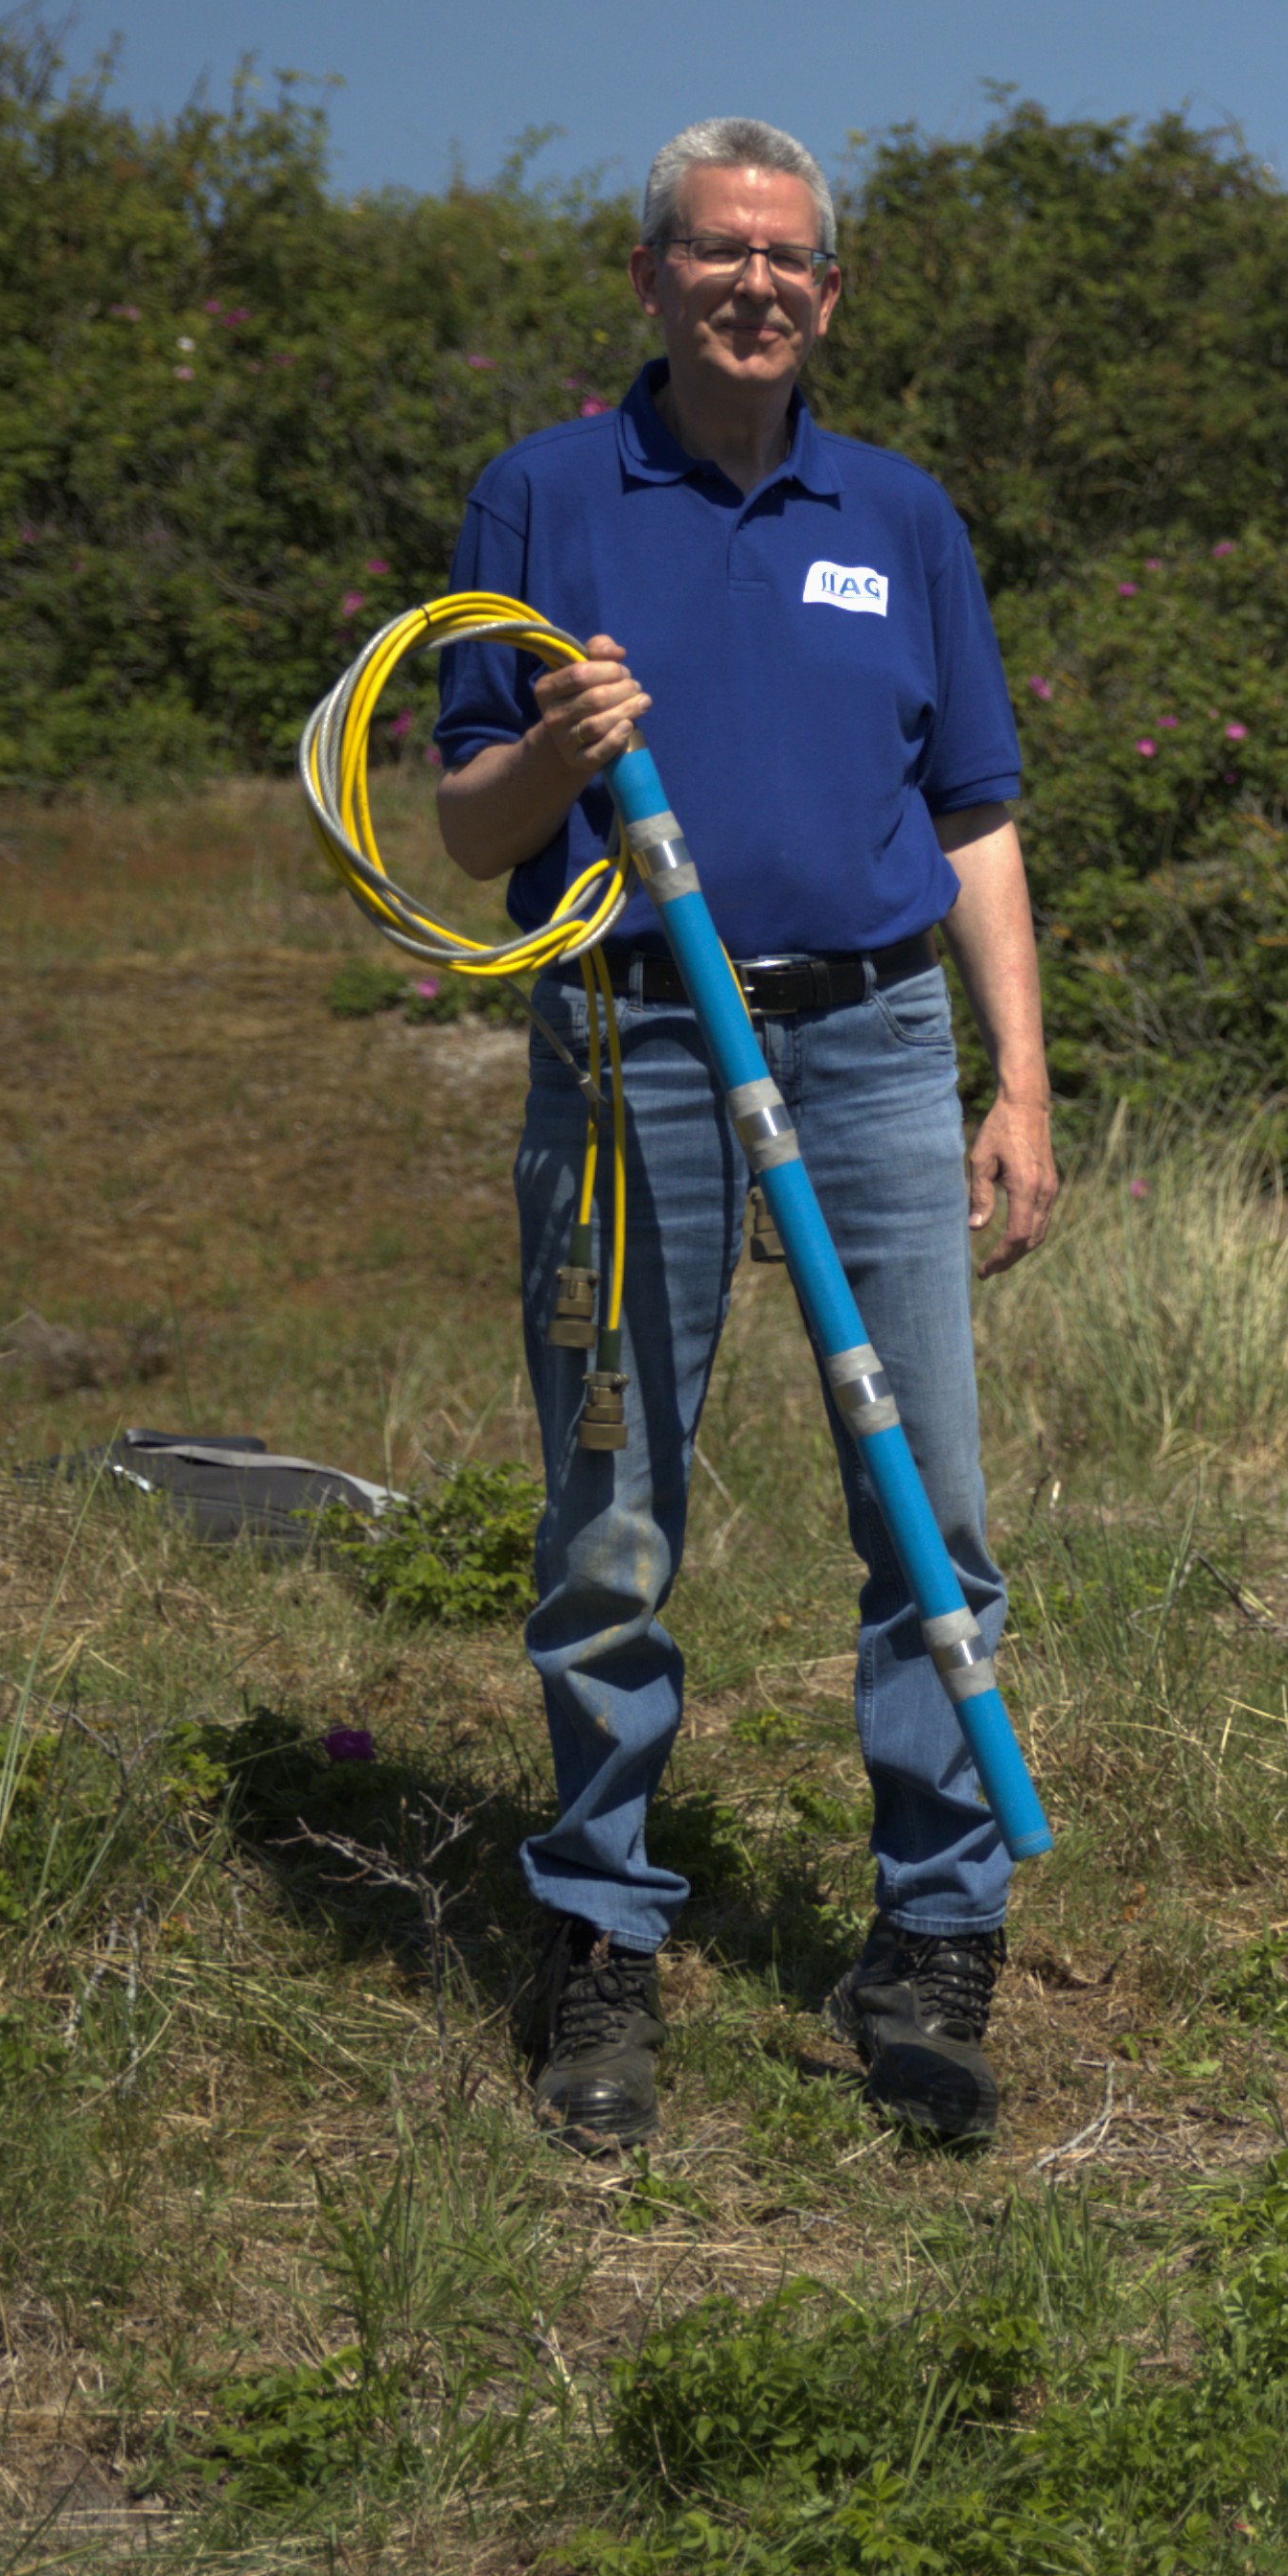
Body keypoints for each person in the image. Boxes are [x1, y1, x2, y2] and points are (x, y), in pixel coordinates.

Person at [435, 118, 1060, 2148]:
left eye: (790, 258)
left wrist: (1018, 1077)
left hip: (873, 1046)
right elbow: (468, 827)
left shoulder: (901, 512)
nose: (757, 285)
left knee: (928, 1507)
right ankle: (599, 1932)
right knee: (612, 1520)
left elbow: (975, 814)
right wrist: (558, 750)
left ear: (831, 291)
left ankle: (933, 1936)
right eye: (718, 252)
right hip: (635, 1049)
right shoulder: (543, 497)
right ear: (651, 275)